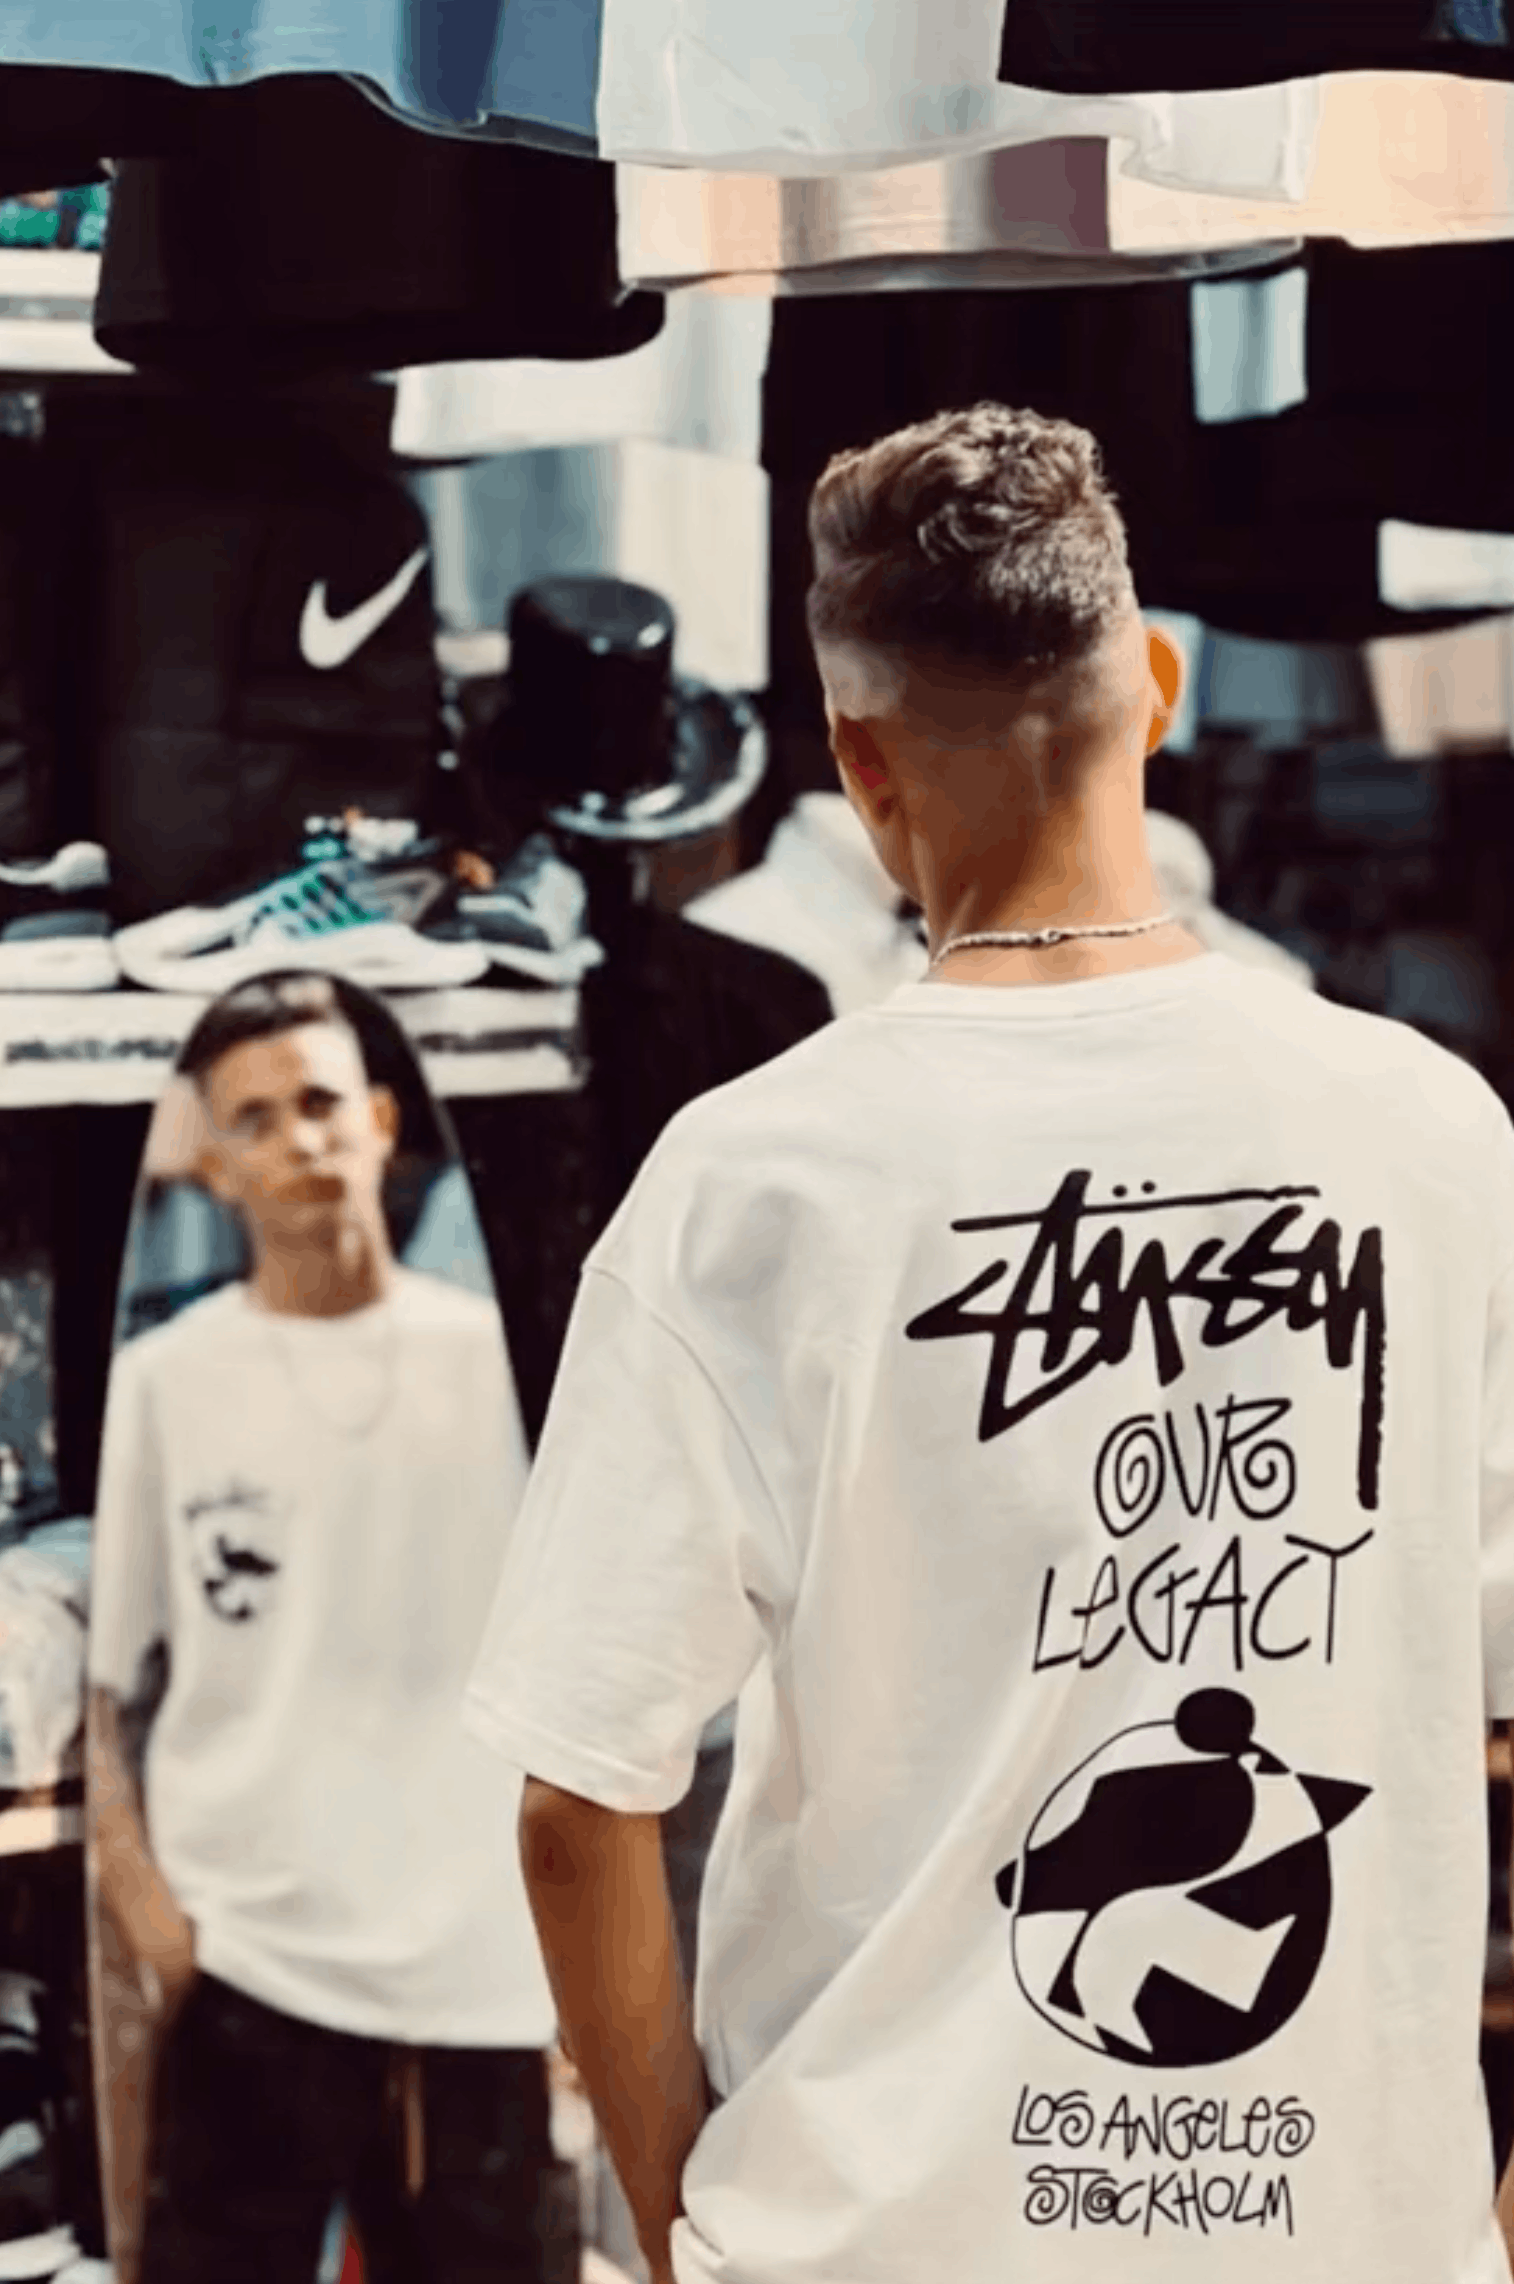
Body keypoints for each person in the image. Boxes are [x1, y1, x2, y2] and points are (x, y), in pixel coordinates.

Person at [462, 400, 1514, 2284]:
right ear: (1159, 689)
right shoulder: (1432, 1137)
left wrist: (678, 2226)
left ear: (857, 766)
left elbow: (576, 1802)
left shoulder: (755, 1178)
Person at [86, 970, 562, 2284]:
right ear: (217, 1164)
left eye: (319, 1103)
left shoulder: (499, 1360)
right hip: (250, 1959)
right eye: (254, 1118)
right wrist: (149, 1912)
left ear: (382, 1121)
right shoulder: (168, 1381)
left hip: (474, 1966)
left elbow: (578, 1670)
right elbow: (109, 1685)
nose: (298, 1139)